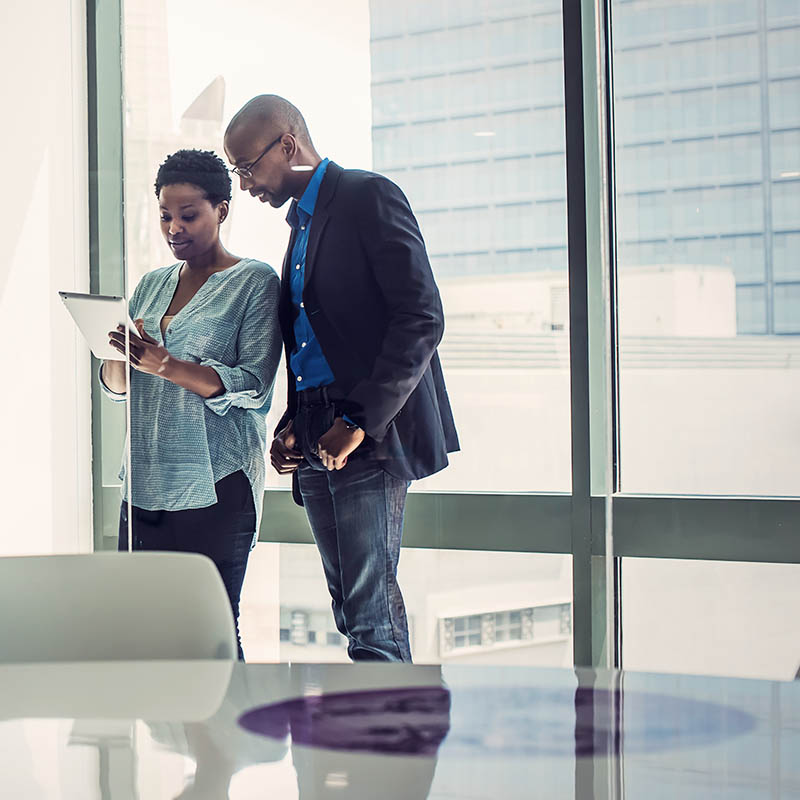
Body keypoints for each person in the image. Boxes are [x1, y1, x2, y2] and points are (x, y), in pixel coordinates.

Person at [223, 95, 459, 663]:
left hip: (368, 437)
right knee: (351, 612)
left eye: (247, 167)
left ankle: (396, 744)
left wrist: (356, 421)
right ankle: (377, 741)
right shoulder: (300, 226)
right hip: (317, 433)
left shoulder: (365, 197)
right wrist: (293, 422)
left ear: (288, 144)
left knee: (371, 616)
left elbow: (422, 317)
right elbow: (315, 339)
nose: (244, 183)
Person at [100, 149, 281, 660]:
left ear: (222, 210)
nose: (173, 228)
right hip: (145, 483)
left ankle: (225, 739)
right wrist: (117, 354)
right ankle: (153, 741)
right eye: (164, 215)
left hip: (216, 484)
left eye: (188, 215)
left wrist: (167, 365)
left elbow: (254, 386)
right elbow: (118, 385)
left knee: (213, 631)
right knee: (141, 633)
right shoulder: (150, 285)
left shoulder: (254, 282)